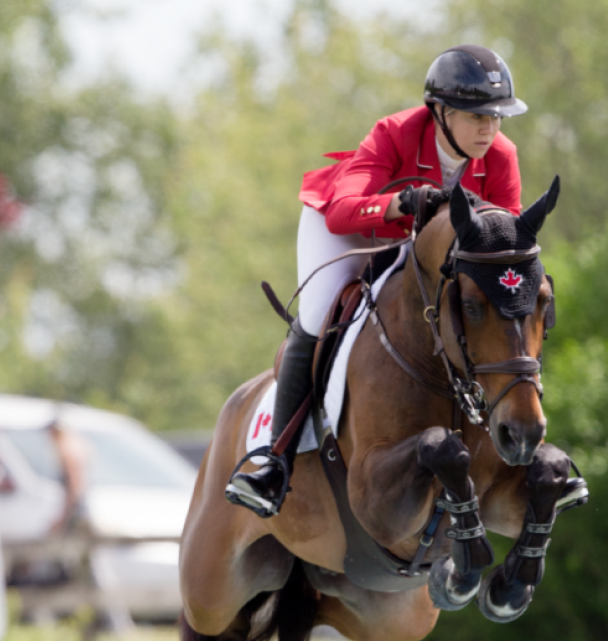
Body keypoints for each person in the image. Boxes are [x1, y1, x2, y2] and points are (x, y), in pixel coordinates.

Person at [225, 44, 529, 518]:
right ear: (441, 113)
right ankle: (273, 464)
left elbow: (500, 241)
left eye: (496, 117)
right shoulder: (395, 133)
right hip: (350, 232)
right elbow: (345, 210)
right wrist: (399, 204)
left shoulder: (502, 157)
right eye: (476, 117)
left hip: (430, 255)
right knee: (319, 317)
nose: (489, 129)